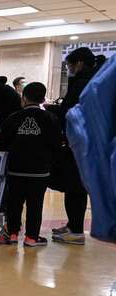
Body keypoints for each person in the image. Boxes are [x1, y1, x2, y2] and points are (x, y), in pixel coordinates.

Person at [0, 82, 60, 247]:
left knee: (14, 202)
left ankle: (12, 234)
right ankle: (31, 238)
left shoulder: (13, 118)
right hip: (40, 171)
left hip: (16, 169)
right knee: (35, 204)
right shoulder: (51, 118)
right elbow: (56, 144)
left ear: (24, 98)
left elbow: (3, 143)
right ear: (42, 99)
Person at [52, 47, 97, 245]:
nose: (69, 68)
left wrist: (53, 109)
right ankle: (73, 225)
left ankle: (76, 230)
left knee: (75, 186)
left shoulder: (82, 83)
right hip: (90, 142)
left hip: (79, 143)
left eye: (70, 65)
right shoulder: (96, 80)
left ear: (78, 63)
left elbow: (69, 111)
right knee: (75, 186)